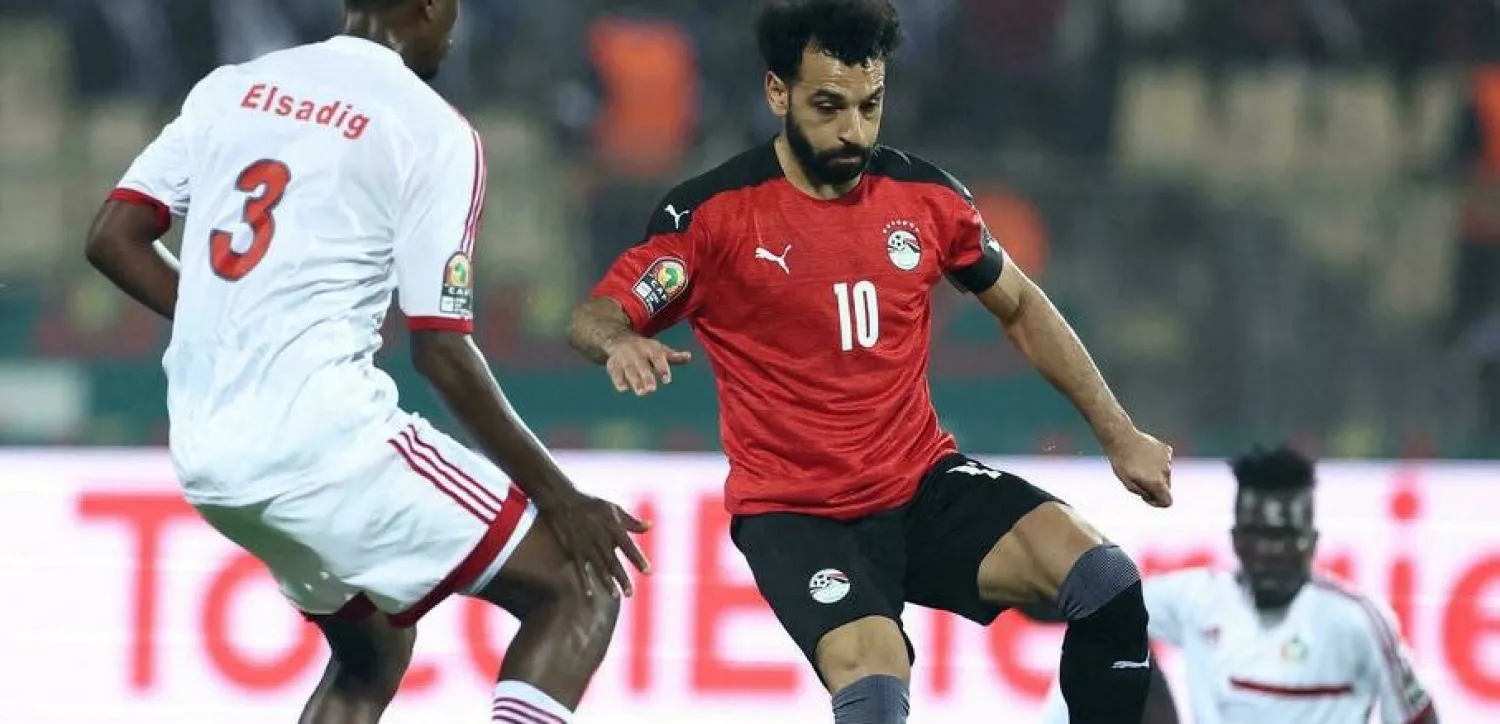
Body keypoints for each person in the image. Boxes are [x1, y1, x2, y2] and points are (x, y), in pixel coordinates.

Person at [566, 1, 1174, 722]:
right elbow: (594, 316)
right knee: (877, 696)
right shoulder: (712, 217)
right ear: (777, 92)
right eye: (828, 106)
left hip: (923, 488)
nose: (853, 130)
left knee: (1105, 580)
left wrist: (1119, 435)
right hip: (798, 518)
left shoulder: (927, 198)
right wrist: (621, 340)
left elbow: (1020, 307)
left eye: (870, 106)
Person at [83, 2, 648, 722]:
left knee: (372, 649)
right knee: (579, 583)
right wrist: (561, 497)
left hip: (206, 453)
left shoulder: (233, 87)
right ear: (431, 6)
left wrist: (234, 324)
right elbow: (441, 349)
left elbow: (113, 237)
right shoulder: (432, 129)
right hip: (324, 443)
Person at [1032, 446, 1439, 724]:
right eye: (1256, 535)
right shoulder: (1200, 600)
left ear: (1312, 541)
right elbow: (1099, 603)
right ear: (1236, 538)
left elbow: (1418, 716)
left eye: (1282, 537)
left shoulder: (1356, 622)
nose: (1268, 552)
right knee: (1115, 651)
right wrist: (1019, 577)